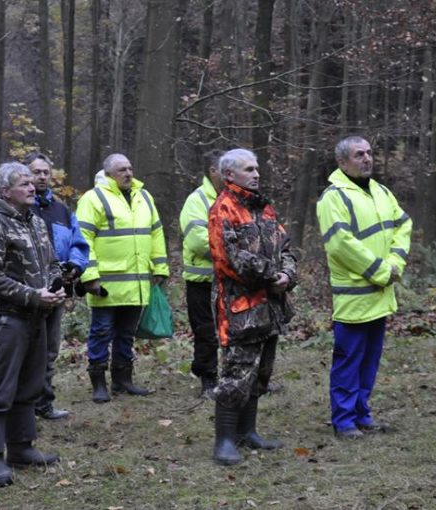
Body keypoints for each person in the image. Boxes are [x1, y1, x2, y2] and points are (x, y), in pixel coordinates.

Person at [0, 162, 66, 487]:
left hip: (38, 317)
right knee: (1, 390)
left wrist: (56, 285)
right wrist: (32, 296)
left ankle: (21, 449)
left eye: (32, 182)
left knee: (30, 386)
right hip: (8, 319)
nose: (32, 187)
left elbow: (52, 262)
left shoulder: (38, 222)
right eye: (24, 183)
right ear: (5, 191)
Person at [315, 136, 412, 439]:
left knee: (369, 362)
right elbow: (341, 244)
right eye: (359, 154)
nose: (367, 158)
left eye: (369, 153)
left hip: (380, 296)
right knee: (348, 361)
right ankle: (343, 421)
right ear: (342, 162)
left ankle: (361, 413)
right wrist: (382, 272)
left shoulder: (382, 192)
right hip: (355, 299)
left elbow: (403, 226)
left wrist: (395, 264)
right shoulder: (333, 198)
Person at [208, 148, 296, 465]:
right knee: (236, 373)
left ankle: (248, 432)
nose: (256, 174)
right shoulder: (223, 209)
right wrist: (272, 275)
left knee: (261, 372)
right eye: (248, 169)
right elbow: (231, 260)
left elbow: (285, 245)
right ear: (229, 174)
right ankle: (225, 441)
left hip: (271, 305)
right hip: (240, 307)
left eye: (257, 168)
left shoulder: (264, 208)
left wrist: (288, 273)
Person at [76, 153, 169, 403]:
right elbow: (83, 240)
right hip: (105, 285)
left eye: (130, 168)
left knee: (127, 334)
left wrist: (160, 268)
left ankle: (123, 380)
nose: (128, 173)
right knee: (101, 332)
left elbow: (156, 234)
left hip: (137, 284)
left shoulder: (144, 197)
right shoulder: (92, 199)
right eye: (121, 170)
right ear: (108, 174)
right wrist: (90, 276)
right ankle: (98, 383)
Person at [24, 152, 89, 421]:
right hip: (26, 291)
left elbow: (79, 242)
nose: (41, 177)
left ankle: (44, 403)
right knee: (26, 349)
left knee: (50, 349)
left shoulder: (62, 210)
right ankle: (22, 406)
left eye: (45, 172)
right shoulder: (19, 207)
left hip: (57, 287)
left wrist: (75, 265)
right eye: (35, 172)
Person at [179, 149, 224, 398]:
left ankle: (236, 376)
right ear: (213, 171)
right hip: (202, 281)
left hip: (231, 281)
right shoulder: (196, 201)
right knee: (206, 332)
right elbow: (198, 242)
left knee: (236, 331)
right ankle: (208, 379)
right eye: (224, 168)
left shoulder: (234, 197)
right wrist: (234, 255)